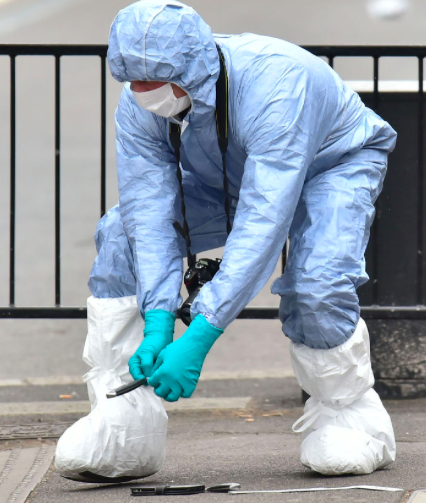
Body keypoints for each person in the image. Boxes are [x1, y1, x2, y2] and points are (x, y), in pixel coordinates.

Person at [88, 0, 397, 476]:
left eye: (153, 82)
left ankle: (350, 417)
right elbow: (147, 212)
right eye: (134, 82)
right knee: (118, 234)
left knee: (317, 283)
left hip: (333, 163)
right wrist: (158, 318)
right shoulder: (140, 103)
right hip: (226, 173)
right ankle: (124, 424)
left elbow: (263, 220)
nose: (143, 92)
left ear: (191, 69)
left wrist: (203, 331)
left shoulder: (277, 84)